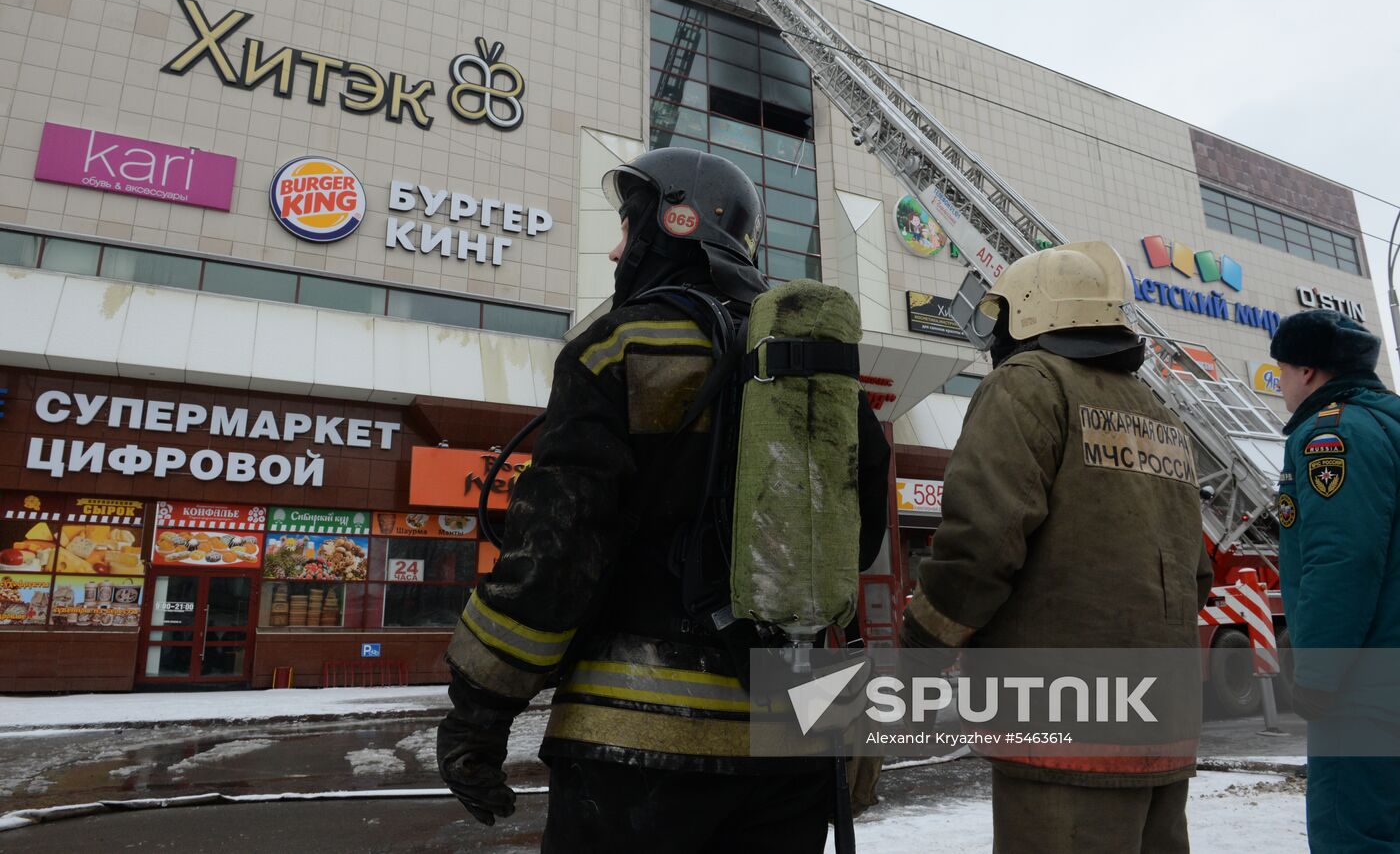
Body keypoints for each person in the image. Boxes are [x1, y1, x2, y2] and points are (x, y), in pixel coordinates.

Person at [435, 147, 891, 852]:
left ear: (672, 226)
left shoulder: (618, 348)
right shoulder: (819, 374)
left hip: (637, 747)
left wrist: (479, 711)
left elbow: (559, 550)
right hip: (804, 731)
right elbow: (855, 540)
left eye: (629, 225)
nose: (619, 248)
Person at [901, 242, 1212, 854]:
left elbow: (981, 543)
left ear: (1027, 313)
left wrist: (922, 646)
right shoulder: (1159, 412)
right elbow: (1195, 571)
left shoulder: (1028, 384)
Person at [1270, 308, 1400, 852]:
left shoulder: (1333, 435)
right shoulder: (1389, 423)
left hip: (1363, 685)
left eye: (1280, 370)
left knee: (1353, 832)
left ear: (1308, 372)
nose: (1278, 383)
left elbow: (1340, 560)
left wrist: (1318, 677)